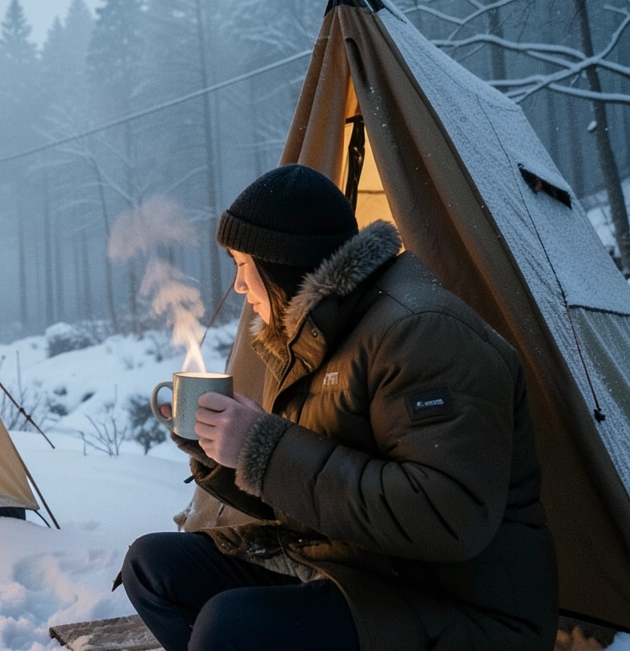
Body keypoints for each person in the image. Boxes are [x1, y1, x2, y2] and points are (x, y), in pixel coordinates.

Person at [118, 164, 557, 651]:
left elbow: (446, 516)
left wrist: (263, 449)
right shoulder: (319, 335)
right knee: (153, 568)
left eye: (243, 265)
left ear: (282, 263)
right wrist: (224, 457)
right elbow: (318, 501)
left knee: (229, 626)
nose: (239, 287)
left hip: (455, 607)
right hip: (357, 569)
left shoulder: (422, 332)